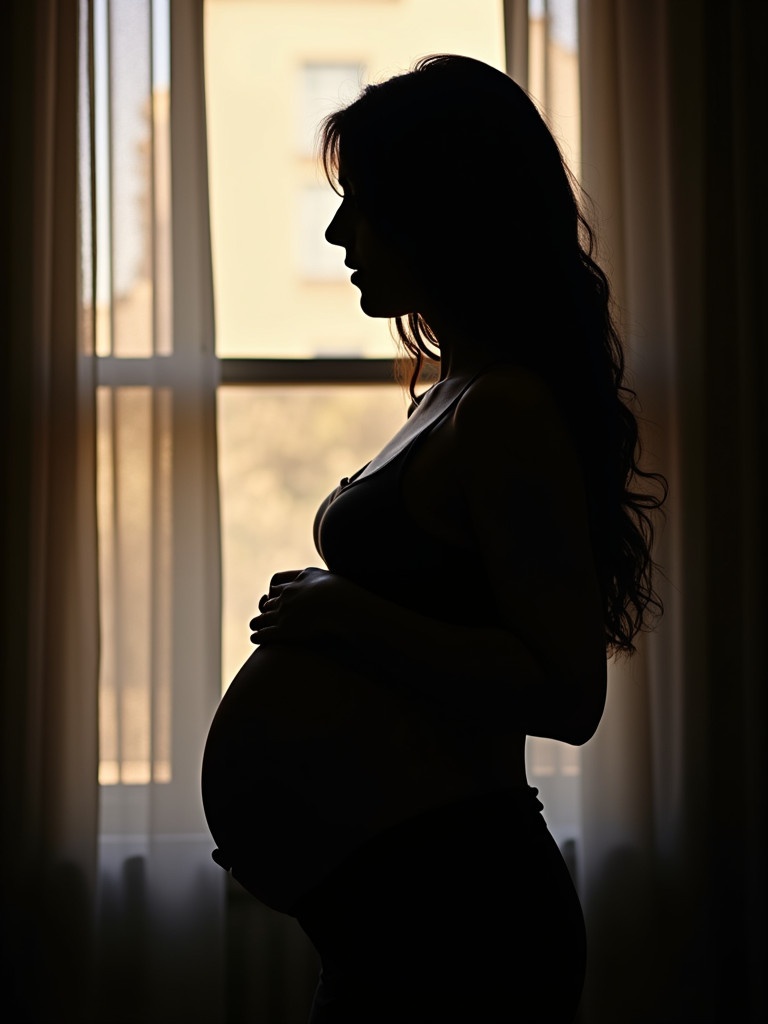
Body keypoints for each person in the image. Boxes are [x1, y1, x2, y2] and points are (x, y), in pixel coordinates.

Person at [237, 54, 666, 1022]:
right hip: (401, 905)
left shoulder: (506, 409)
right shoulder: (454, 394)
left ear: (447, 211)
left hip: (462, 920)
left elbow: (565, 692)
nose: (338, 231)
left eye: (367, 204)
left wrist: (346, 616)